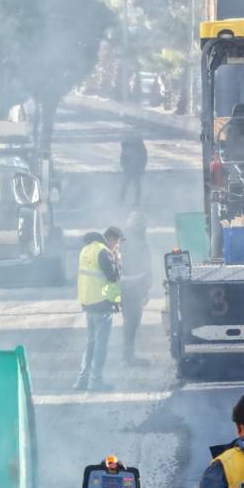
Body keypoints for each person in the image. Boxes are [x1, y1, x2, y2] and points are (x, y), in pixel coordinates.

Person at [74, 226, 123, 391]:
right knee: (100, 345)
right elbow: (114, 276)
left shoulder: (86, 249)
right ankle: (96, 381)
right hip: (102, 304)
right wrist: (117, 259)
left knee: (90, 343)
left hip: (88, 302)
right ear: (112, 239)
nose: (118, 246)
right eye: (117, 242)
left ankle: (82, 380)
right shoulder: (104, 252)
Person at [119, 211, 152, 367]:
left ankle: (127, 355)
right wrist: (145, 291)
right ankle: (128, 357)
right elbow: (146, 269)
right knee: (132, 323)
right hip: (134, 287)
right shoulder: (140, 242)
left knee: (128, 322)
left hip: (122, 286)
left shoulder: (121, 239)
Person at [120, 133, 147, 206]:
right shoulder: (128, 145)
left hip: (135, 169)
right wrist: (124, 165)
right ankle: (122, 200)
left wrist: (142, 168)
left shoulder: (140, 147)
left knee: (134, 186)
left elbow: (143, 159)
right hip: (130, 169)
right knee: (126, 185)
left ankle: (135, 201)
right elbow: (123, 157)